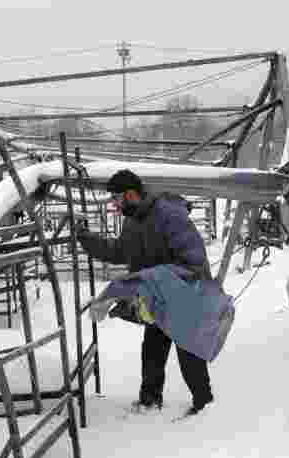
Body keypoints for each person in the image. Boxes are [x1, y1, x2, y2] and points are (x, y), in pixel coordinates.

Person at [77, 169, 215, 416]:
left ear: (130, 194)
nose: (116, 206)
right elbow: (119, 251)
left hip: (185, 296)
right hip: (157, 299)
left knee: (190, 355)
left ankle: (204, 406)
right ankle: (150, 402)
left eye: (117, 199)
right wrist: (85, 237)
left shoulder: (170, 216)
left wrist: (147, 279)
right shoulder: (134, 220)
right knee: (152, 351)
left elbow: (194, 264)